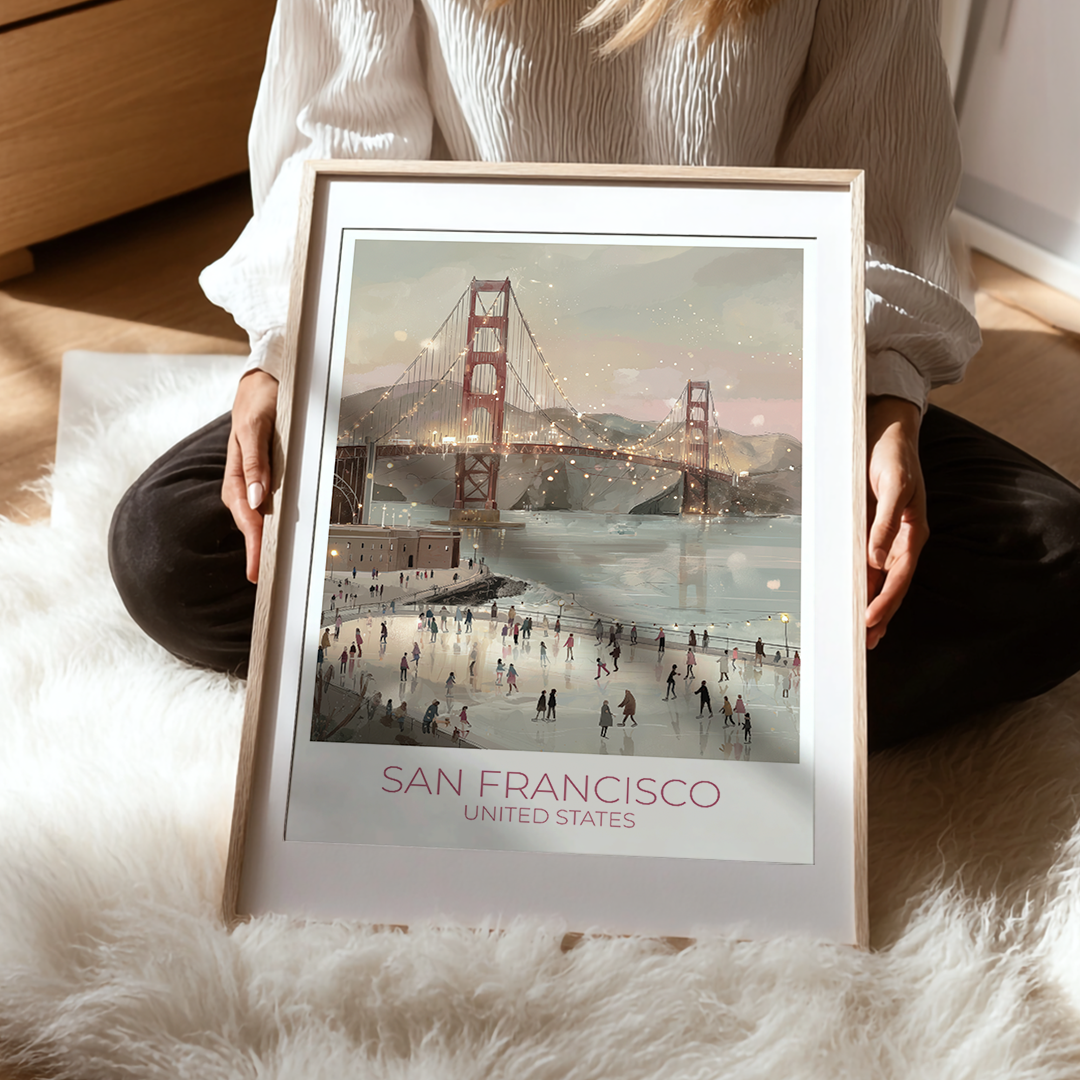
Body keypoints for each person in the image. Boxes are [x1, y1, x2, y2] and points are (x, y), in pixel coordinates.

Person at [106, 0, 1080, 754]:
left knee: (1056, 561)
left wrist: (879, 405)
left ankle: (514, 683)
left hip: (749, 381)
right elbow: (338, 137)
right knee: (175, 544)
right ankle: (704, 695)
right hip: (457, 385)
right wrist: (286, 354)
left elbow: (875, 172)